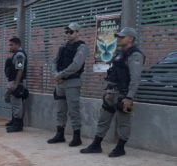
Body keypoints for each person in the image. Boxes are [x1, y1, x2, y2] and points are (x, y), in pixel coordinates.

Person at [81, 27, 145, 157]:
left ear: (130, 39)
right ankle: (96, 145)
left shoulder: (135, 55)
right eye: (118, 37)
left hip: (123, 95)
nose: (119, 39)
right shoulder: (120, 54)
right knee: (103, 119)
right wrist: (107, 91)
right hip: (111, 93)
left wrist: (129, 98)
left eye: (122, 37)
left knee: (123, 122)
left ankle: (120, 148)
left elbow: (135, 79)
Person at [47, 23, 88, 147]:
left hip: (72, 82)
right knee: (60, 110)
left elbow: (76, 65)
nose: (68, 34)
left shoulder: (82, 47)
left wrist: (60, 75)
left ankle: (77, 137)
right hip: (60, 83)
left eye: (71, 32)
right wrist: (55, 74)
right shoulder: (63, 46)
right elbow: (54, 61)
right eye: (67, 32)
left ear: (77, 32)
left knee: (73, 110)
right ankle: (60, 134)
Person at [4, 37, 28, 133]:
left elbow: (20, 70)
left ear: (18, 45)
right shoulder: (16, 55)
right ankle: (14, 122)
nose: (9, 46)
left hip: (17, 82)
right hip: (14, 81)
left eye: (12, 45)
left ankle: (17, 125)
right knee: (14, 103)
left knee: (17, 104)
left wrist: (16, 84)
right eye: (9, 44)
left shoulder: (19, 55)